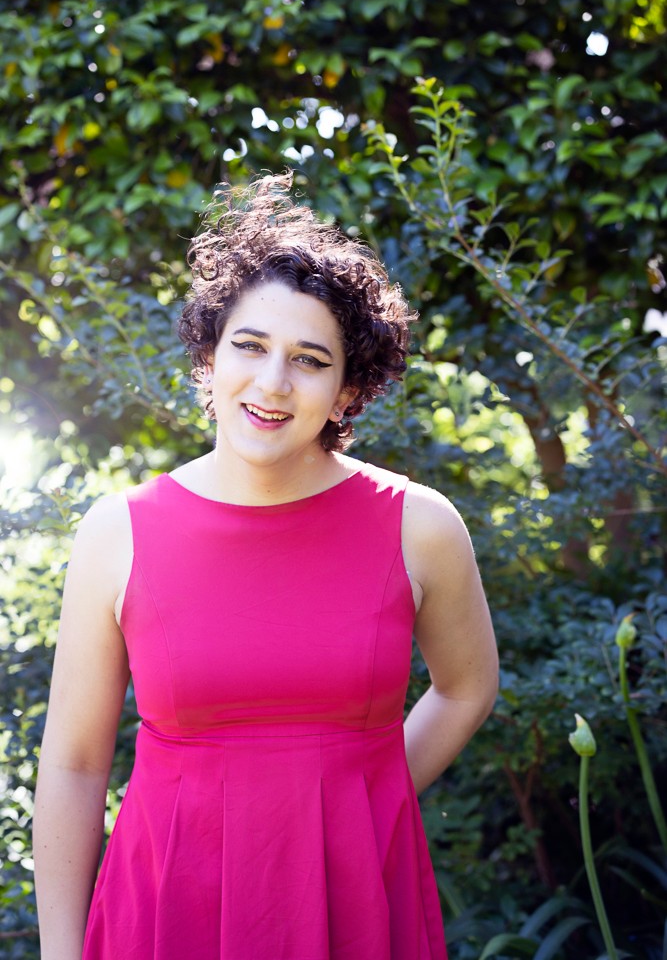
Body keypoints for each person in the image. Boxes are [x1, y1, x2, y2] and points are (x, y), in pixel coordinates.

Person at [33, 171, 498, 960]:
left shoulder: (418, 527)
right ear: (210, 357)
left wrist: (360, 807)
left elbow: (466, 687)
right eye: (249, 346)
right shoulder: (120, 532)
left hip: (356, 907)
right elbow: (75, 767)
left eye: (310, 359)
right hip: (165, 908)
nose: (272, 383)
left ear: (348, 389)